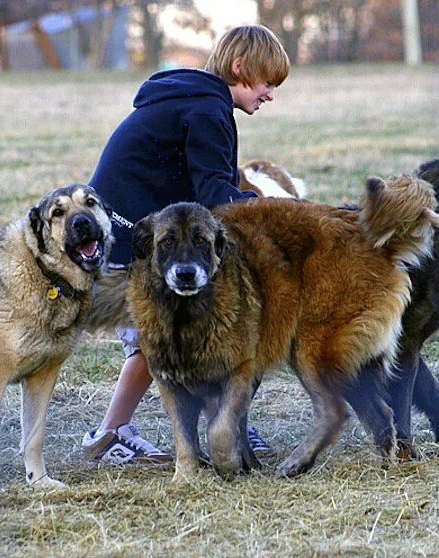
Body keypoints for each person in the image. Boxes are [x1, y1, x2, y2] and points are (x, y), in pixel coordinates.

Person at [82, 24, 291, 464]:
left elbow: (204, 190)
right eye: (267, 82)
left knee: (181, 326)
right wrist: (270, 209)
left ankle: (222, 422)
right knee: (155, 335)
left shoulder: (195, 98)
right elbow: (216, 194)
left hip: (118, 226)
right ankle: (111, 432)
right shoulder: (209, 111)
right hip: (125, 237)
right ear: (240, 67)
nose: (270, 94)